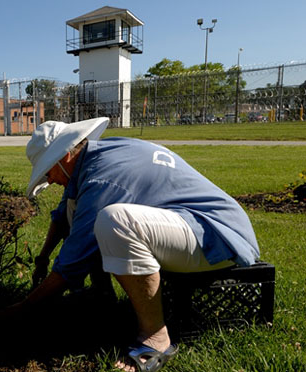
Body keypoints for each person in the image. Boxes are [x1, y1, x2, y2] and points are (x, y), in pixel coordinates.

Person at [16, 117, 260, 372]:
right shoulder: (97, 158)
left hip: (217, 235)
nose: (50, 180)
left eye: (48, 172)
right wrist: (42, 258)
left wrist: (23, 309)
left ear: (65, 157)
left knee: (115, 221)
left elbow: (72, 263)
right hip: (195, 227)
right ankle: (102, 295)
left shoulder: (103, 178)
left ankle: (157, 338)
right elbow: (63, 215)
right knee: (81, 212)